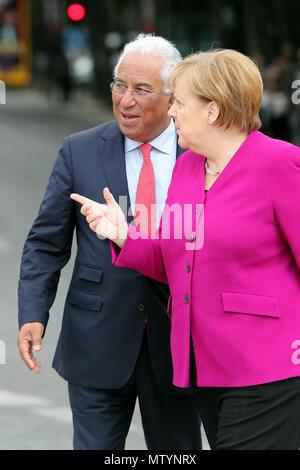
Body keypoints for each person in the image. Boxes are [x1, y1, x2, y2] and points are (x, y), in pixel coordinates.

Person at [72, 48, 300, 450]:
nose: (171, 111)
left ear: (212, 110)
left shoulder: (280, 163)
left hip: (270, 371)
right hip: (203, 368)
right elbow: (177, 260)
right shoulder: (188, 166)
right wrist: (122, 233)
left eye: (178, 101)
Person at [17, 34, 202, 451]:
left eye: (141, 89)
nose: (126, 100)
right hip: (96, 341)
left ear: (173, 96)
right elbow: (46, 243)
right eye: (119, 85)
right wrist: (33, 312)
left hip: (177, 345)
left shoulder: (200, 154)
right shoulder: (78, 151)